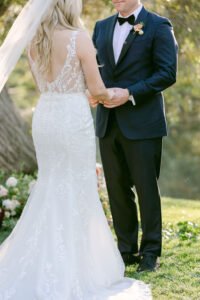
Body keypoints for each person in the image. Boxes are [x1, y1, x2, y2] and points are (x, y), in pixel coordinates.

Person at [0, 0, 152, 299]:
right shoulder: (79, 38)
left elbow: (45, 86)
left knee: (50, 183)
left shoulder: (34, 41)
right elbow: (96, 90)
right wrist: (115, 94)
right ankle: (77, 264)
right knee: (76, 186)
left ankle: (42, 259)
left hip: (46, 117)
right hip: (72, 118)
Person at [89, 0, 178, 272]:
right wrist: (93, 91)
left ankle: (151, 252)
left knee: (146, 188)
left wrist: (129, 94)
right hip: (107, 121)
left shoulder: (159, 26)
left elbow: (167, 73)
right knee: (116, 189)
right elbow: (93, 69)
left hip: (142, 122)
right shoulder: (101, 27)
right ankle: (125, 250)